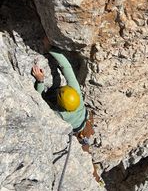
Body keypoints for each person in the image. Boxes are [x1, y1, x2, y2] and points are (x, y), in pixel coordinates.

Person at [31, 37, 100, 182]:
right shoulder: (77, 95)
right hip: (86, 122)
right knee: (87, 150)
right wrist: (51, 48)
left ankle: (95, 178)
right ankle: (96, 178)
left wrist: (40, 81)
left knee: (85, 155)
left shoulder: (59, 114)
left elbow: (39, 102)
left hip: (78, 131)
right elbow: (66, 67)